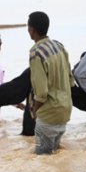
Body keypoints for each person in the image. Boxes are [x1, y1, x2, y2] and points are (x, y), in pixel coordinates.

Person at [27, 11, 74, 154]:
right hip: (65, 110)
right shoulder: (59, 46)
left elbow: (41, 93)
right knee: (55, 155)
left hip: (49, 114)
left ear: (32, 29)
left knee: (43, 160)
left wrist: (34, 112)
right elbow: (71, 79)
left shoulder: (36, 53)